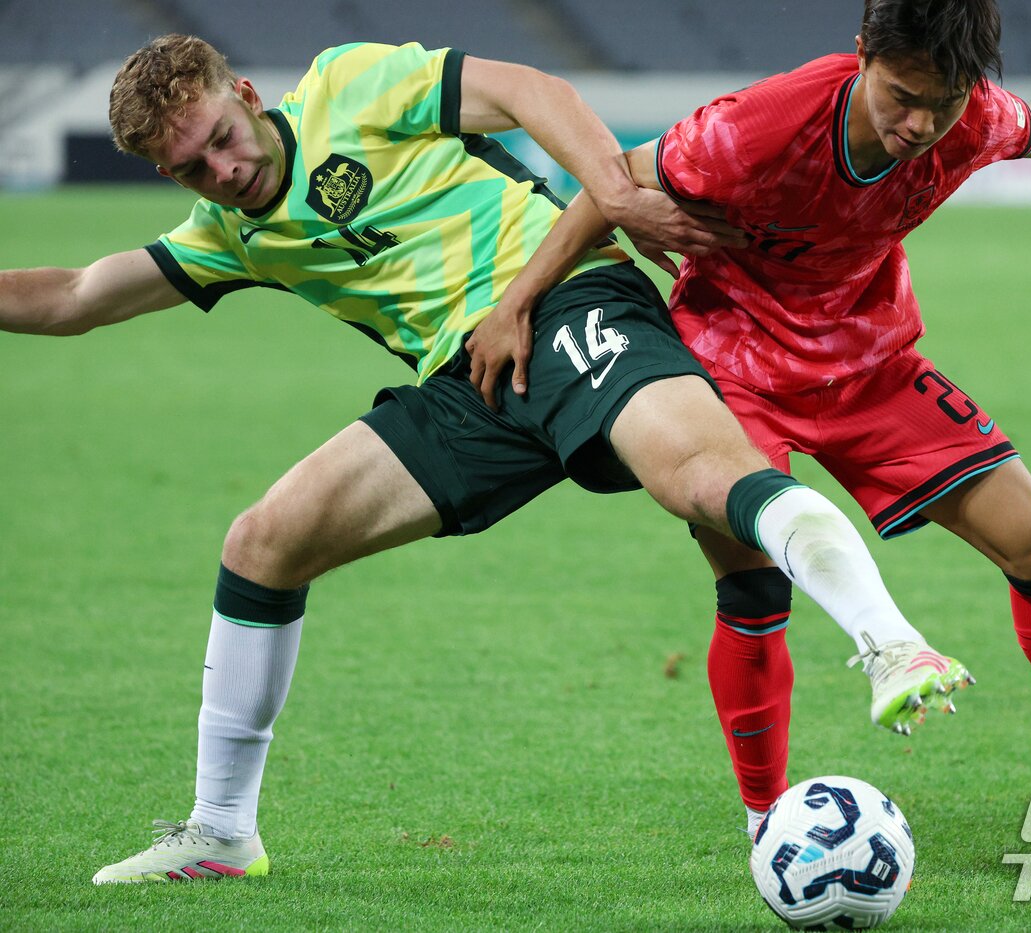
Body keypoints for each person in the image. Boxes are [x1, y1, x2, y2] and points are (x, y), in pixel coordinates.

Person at [0, 34, 973, 884]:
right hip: (467, 387)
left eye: (220, 137)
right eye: (191, 169)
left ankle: (891, 642)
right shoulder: (230, 233)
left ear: (246, 97)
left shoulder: (349, 85)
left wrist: (614, 192)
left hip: (566, 305)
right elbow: (79, 293)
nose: (220, 170)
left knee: (703, 481)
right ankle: (219, 833)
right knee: (263, 541)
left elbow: (527, 93)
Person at [468, 0, 1031, 868]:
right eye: (901, 96)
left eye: (947, 101)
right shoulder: (756, 128)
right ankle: (765, 821)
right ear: (861, 56)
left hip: (869, 364)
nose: (921, 125)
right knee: (754, 588)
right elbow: (613, 179)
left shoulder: (971, 118)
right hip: (732, 368)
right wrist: (517, 301)